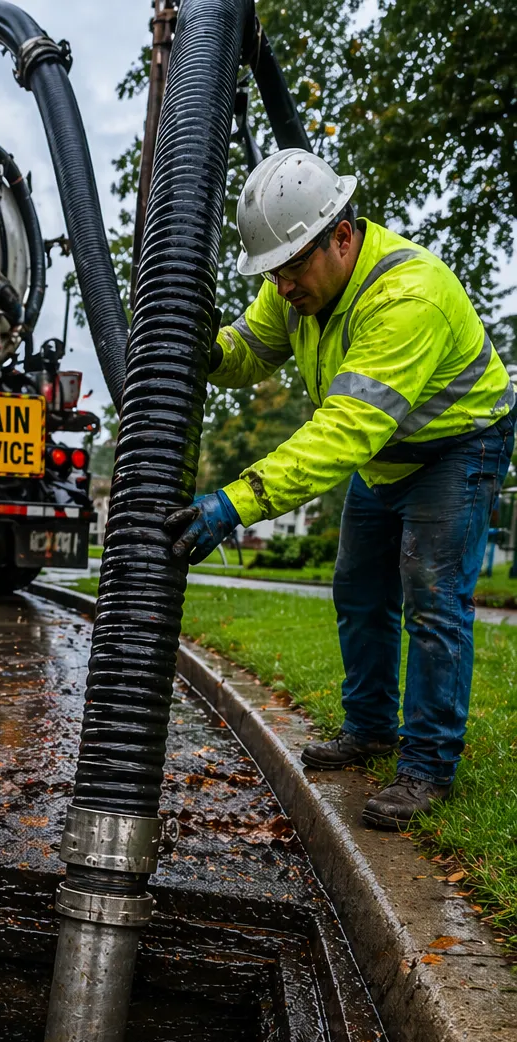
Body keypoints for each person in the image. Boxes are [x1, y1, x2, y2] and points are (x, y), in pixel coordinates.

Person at [168, 150, 515, 830]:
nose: (283, 285)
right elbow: (249, 347)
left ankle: (426, 767)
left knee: (432, 594)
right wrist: (204, 348)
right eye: (273, 272)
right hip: (387, 450)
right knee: (359, 587)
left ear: (343, 236)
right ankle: (370, 729)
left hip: (456, 446)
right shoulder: (294, 284)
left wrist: (236, 501)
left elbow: (344, 431)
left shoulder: (407, 299)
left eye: (292, 268)